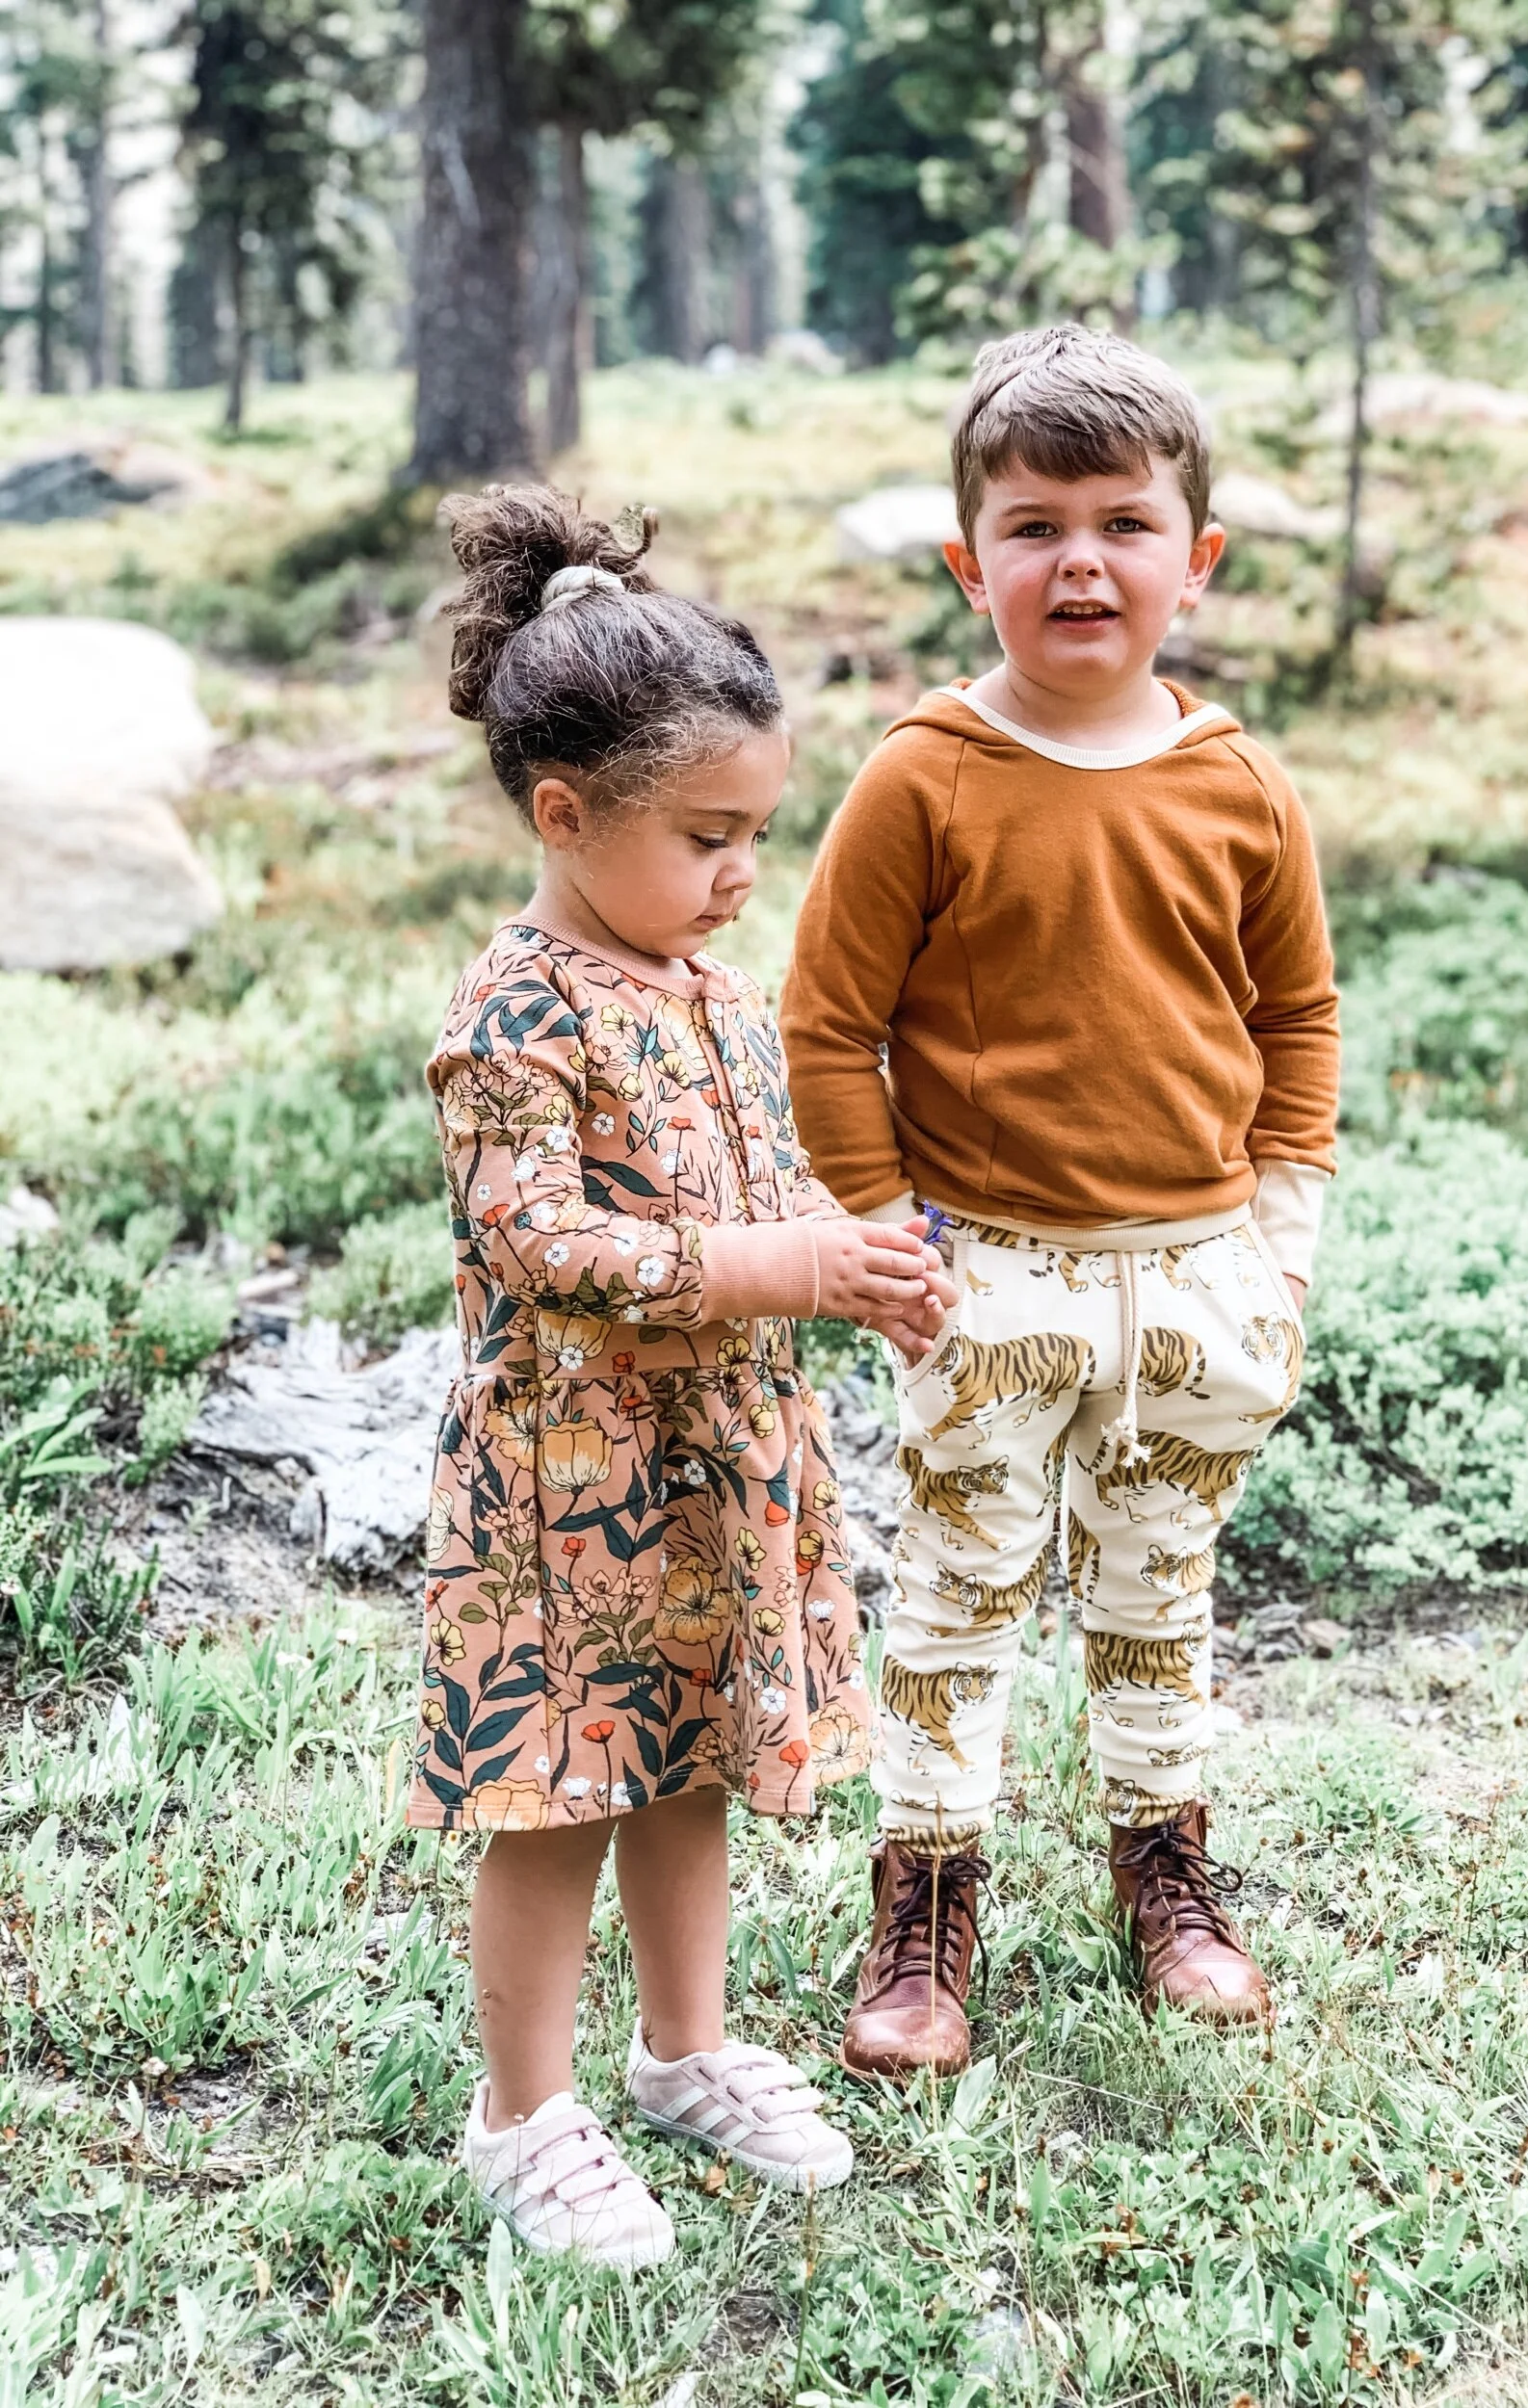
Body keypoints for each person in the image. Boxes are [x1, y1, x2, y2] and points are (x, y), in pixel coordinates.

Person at [780, 326, 1340, 2078]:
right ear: (969, 564)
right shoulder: (924, 776)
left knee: (1157, 1589)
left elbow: (1294, 1014)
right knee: (956, 1593)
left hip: (1193, 1268)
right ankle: (925, 1910)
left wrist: (1280, 1235)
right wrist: (889, 1238)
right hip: (986, 1276)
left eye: (1121, 521)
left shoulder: (1237, 781)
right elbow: (826, 1025)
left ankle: (1161, 1872)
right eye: (1031, 527)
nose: (1078, 560)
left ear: (1196, 560)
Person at [408, 484, 953, 2262]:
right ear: (564, 815)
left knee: (692, 1756)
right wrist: (764, 1265)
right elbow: (541, 1250)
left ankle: (685, 2050)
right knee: (562, 1787)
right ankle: (523, 2116)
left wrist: (849, 1261)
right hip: (565, 1487)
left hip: (714, 1452)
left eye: (756, 838)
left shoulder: (706, 988)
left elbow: (763, 1176)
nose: (739, 877)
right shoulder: (515, 1014)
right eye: (708, 838)